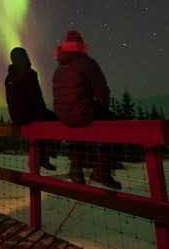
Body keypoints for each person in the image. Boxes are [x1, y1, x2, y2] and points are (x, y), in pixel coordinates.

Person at [52, 30, 121, 189]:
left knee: (77, 130)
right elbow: (102, 91)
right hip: (81, 112)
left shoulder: (59, 68)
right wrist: (103, 110)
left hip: (63, 116)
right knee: (111, 123)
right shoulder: (87, 63)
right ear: (81, 46)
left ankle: (76, 169)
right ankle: (102, 171)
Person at [4, 47, 57, 170]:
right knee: (54, 120)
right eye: (26, 55)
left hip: (16, 117)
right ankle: (46, 155)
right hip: (29, 115)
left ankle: (41, 156)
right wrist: (42, 113)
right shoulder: (29, 74)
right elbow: (36, 97)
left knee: (46, 121)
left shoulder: (9, 77)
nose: (28, 56)